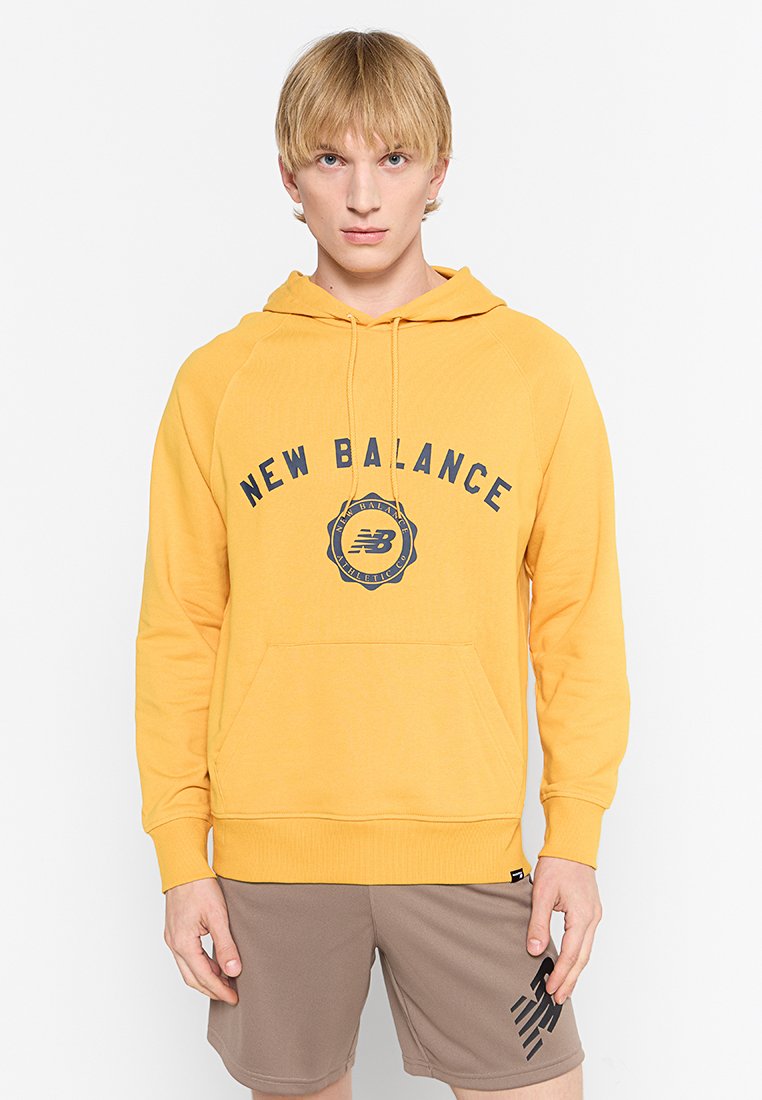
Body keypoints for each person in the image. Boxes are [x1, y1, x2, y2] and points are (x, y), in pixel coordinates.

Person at [134, 28, 630, 1100]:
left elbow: (578, 620)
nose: (362, 194)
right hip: (271, 859)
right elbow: (180, 630)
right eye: (332, 159)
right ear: (289, 176)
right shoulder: (219, 381)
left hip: (469, 848)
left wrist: (575, 836)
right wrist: (182, 858)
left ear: (438, 171)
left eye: (393, 159)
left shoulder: (534, 371)